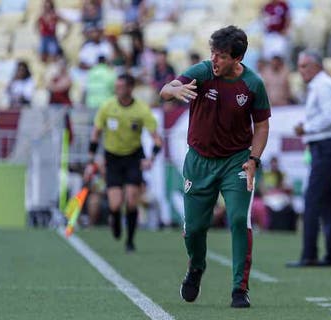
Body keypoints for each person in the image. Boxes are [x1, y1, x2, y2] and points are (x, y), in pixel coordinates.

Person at [160, 25, 271, 308]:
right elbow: (165, 90)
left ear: (237, 58)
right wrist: (176, 88)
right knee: (195, 229)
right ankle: (196, 267)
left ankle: (239, 289)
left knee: (237, 219)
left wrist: (254, 159)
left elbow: (261, 125)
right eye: (213, 53)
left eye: (220, 55)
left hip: (236, 161)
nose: (214, 60)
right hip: (199, 161)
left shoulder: (253, 84)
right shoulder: (202, 72)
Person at [85, 73, 163, 252]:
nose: (118, 90)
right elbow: (96, 133)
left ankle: (130, 240)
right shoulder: (107, 107)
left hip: (133, 157)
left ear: (130, 88)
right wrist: (91, 160)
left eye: (121, 87)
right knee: (114, 203)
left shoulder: (141, 109)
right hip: (112, 158)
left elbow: (157, 139)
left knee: (131, 201)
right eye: (117, 87)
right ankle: (116, 222)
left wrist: (150, 158)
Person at [286, 50, 331, 268]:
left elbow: (330, 117)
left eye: (304, 66)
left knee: (313, 200)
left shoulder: (322, 86)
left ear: (316, 66)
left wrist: (307, 128)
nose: (300, 71)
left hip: (326, 146)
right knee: (329, 203)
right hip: (327, 146)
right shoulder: (323, 85)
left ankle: (310, 254)